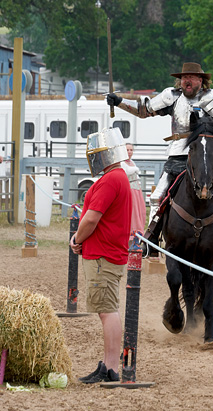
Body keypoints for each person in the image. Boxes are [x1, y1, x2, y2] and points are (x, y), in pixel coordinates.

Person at [107, 62, 213, 259]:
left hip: (207, 155)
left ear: (201, 80)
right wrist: (119, 101)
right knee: (158, 195)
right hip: (178, 153)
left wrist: (205, 118)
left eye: (191, 77)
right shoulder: (171, 96)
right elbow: (144, 110)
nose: (186, 80)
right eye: (183, 77)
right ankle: (151, 240)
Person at [70, 127, 132, 384]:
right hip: (105, 253)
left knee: (107, 311)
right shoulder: (118, 177)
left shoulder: (110, 180)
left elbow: (91, 219)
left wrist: (77, 239)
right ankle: (108, 365)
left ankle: (110, 368)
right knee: (108, 309)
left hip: (103, 255)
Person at [121, 143, 146, 239]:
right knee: (133, 211)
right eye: (127, 150)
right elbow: (127, 171)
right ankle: (132, 231)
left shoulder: (132, 162)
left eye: (131, 150)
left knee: (140, 209)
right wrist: (135, 169)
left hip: (136, 188)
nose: (129, 152)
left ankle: (139, 230)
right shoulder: (122, 163)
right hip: (129, 189)